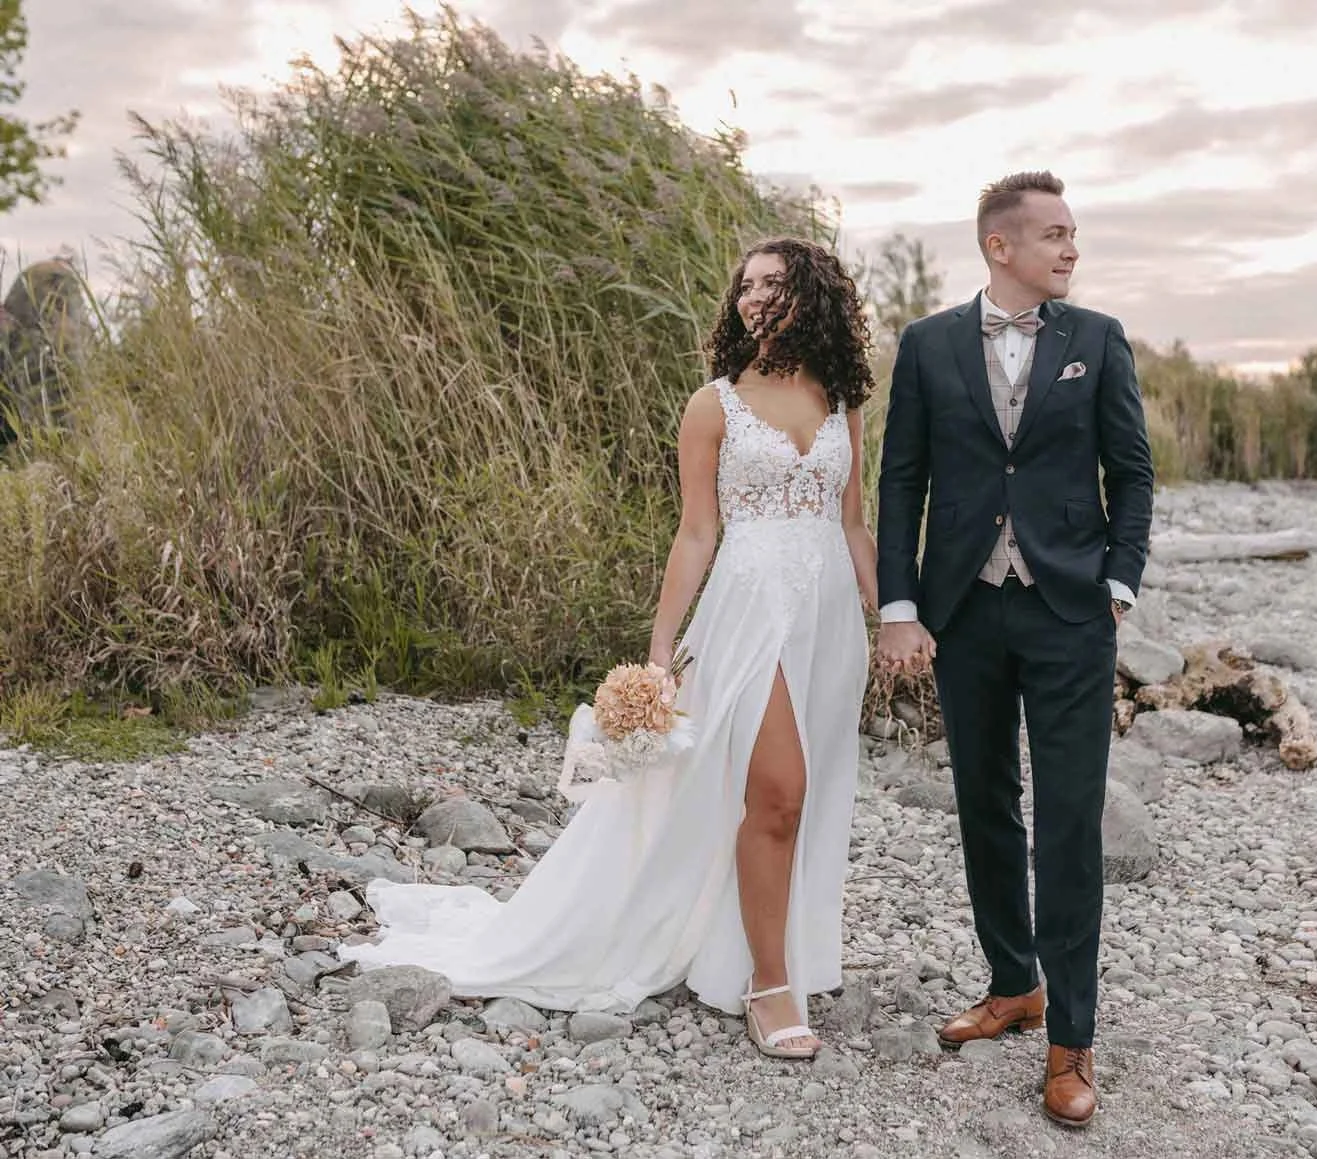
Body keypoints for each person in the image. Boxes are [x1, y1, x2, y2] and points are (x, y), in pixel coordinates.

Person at [341, 237, 879, 1061]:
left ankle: (757, 945)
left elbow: (851, 523)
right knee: (777, 789)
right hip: (749, 610)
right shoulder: (715, 406)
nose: (753, 298)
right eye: (745, 286)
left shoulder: (839, 399)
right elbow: (697, 531)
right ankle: (769, 985)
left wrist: (896, 617)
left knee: (806, 795)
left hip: (829, 615)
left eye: (774, 283)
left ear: (813, 296)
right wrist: (660, 651)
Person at [874, 170, 1154, 1125]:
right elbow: (900, 479)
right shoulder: (927, 345)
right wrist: (900, 604)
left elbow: (1133, 473)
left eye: (1075, 235)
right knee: (983, 801)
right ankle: (1012, 982)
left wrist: (1118, 582)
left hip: (1070, 612)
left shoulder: (1100, 340)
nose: (1072, 249)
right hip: (965, 611)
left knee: (1069, 822)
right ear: (1002, 246)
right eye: (1055, 235)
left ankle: (1071, 1042)